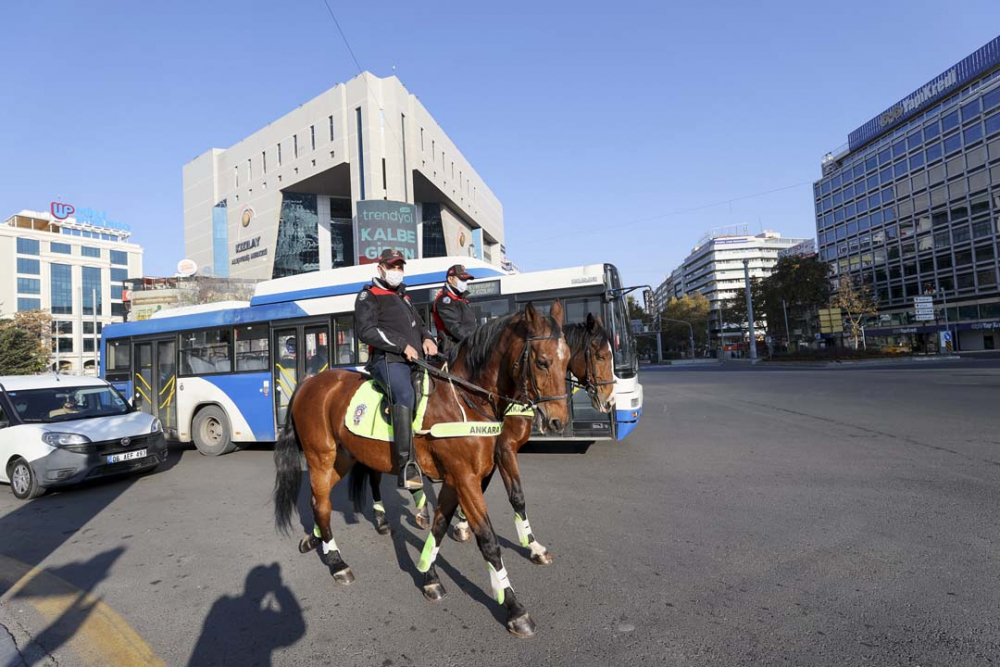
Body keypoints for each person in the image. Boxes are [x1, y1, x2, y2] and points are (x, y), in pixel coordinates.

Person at [355, 248, 438, 489]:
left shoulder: (404, 296)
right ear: (380, 268)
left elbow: (420, 326)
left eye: (400, 267)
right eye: (392, 266)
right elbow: (367, 331)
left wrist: (427, 338)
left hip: (414, 360)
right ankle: (407, 465)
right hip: (387, 360)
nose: (397, 271)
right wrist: (402, 346)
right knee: (405, 395)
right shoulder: (368, 296)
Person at [432, 264, 477, 356]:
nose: (464, 282)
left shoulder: (461, 299)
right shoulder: (444, 300)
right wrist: (475, 341)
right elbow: (455, 327)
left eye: (465, 280)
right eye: (461, 279)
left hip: (466, 346)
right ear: (450, 279)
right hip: (452, 350)